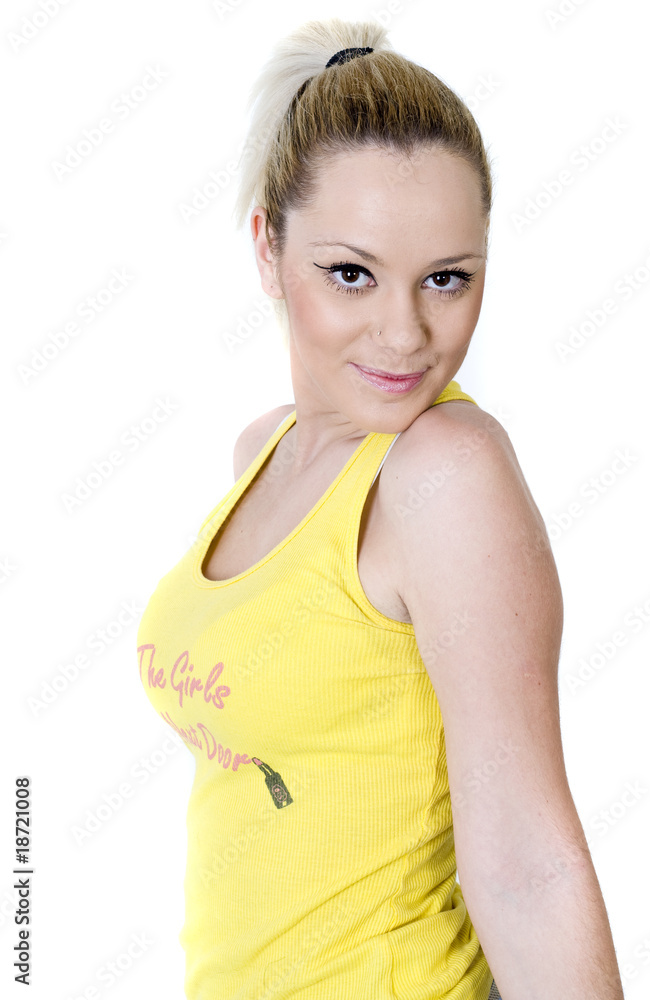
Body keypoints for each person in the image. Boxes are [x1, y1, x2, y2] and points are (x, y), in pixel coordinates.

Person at [136, 17, 625, 1000]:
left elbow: (527, 866)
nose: (405, 333)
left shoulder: (445, 471)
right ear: (268, 248)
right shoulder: (262, 453)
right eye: (352, 273)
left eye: (446, 279)